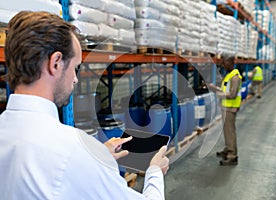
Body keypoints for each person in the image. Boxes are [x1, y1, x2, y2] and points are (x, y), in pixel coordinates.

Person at [0, 11, 169, 199]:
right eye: (75, 68)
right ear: (55, 63)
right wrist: (154, 172)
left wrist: (98, 157)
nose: (75, 79)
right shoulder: (72, 149)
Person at [208, 56, 242, 166]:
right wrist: (215, 88)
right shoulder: (229, 76)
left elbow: (232, 94)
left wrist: (219, 94)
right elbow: (224, 91)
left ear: (231, 62)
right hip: (225, 107)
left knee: (230, 131)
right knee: (227, 131)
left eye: (224, 63)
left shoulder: (235, 77)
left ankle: (232, 156)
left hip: (230, 108)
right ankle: (228, 149)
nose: (223, 65)